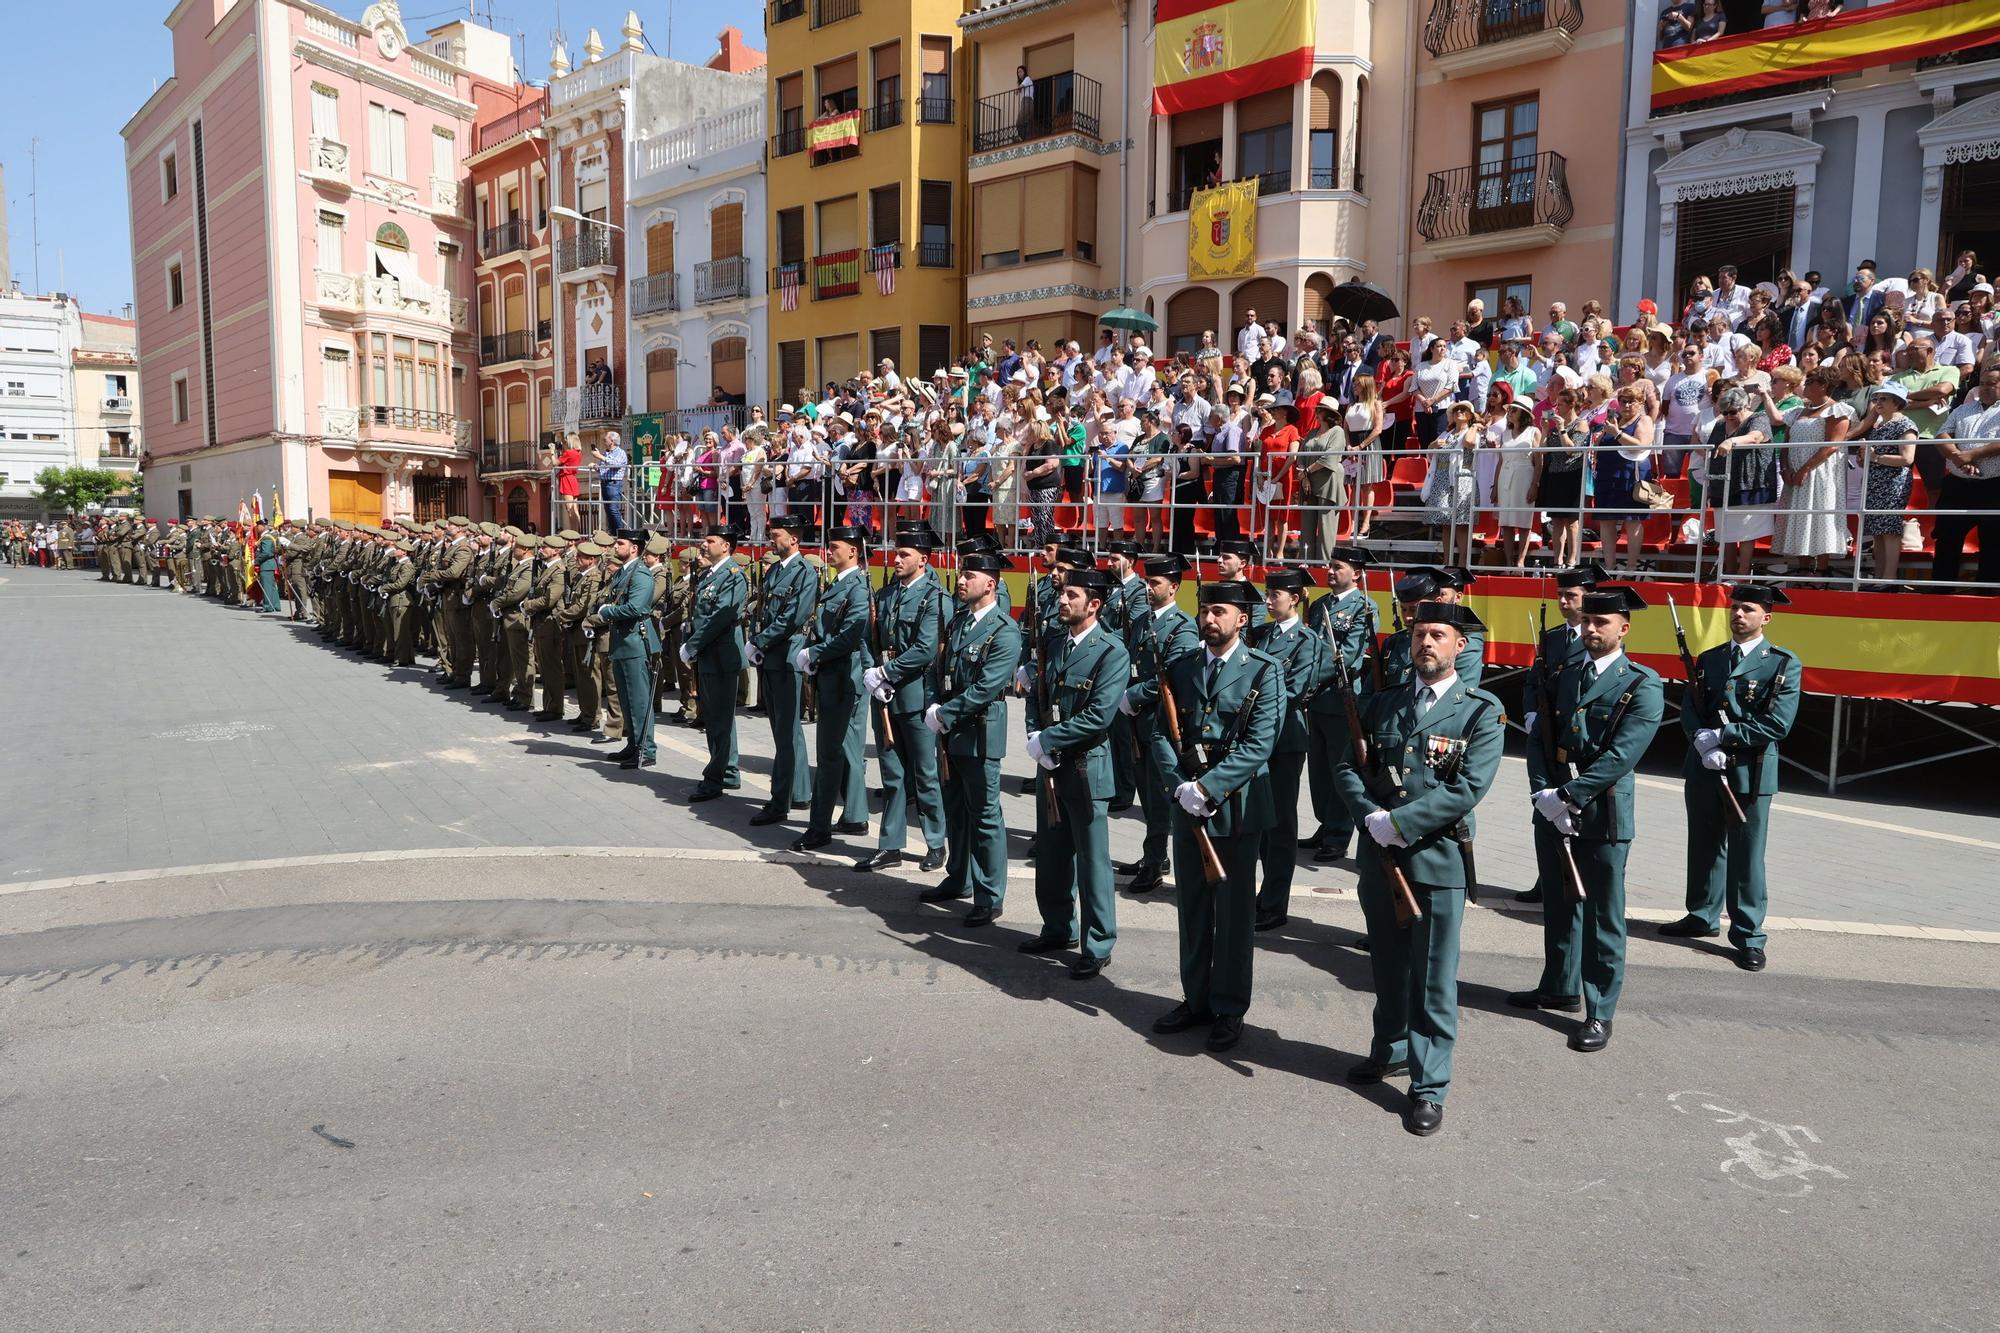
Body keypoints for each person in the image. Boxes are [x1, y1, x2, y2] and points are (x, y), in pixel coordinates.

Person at [1333, 600, 1506, 1137]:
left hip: (1435, 859)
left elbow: (1468, 787)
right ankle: (1389, 1050)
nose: (1425, 643)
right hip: (1380, 855)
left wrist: (1401, 822)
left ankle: (1429, 1086)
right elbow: (1346, 765)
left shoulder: (1479, 709)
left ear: (1460, 645)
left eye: (1437, 635)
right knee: (1387, 967)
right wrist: (1370, 818)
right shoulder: (1380, 703)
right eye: (1418, 635)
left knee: (1433, 978)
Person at [1508, 585, 1664, 1054]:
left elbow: (1622, 755)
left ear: (1624, 628)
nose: (1591, 629)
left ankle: (1600, 1010)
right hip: (1554, 800)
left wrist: (1571, 795)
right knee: (1557, 902)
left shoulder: (1642, 682)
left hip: (1603, 809)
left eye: (1602, 623)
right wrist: (1544, 792)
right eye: (1588, 622)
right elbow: (1539, 736)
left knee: (1602, 914)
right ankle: (1558, 985)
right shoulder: (1565, 673)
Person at [1148, 580, 1286, 1053]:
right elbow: (1161, 732)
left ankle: (1229, 1007)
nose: (1209, 619)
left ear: (1242, 619)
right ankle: (1196, 999)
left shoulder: (1263, 672)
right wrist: (1180, 786)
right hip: (1188, 805)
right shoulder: (1182, 666)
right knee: (1192, 909)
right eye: (1205, 610)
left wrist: (1209, 787)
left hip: (1237, 808)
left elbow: (1260, 744)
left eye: (1220, 611)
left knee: (1231, 917)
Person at [1661, 583, 1802, 972]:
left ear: (1766, 618)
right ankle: (1702, 915)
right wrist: (1701, 741)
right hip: (1705, 765)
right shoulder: (1710, 658)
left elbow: (1778, 722)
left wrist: (1725, 736)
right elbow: (1692, 705)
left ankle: (1748, 934)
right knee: (1704, 845)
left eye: (1749, 610)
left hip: (1750, 771)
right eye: (1736, 608)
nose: (1739, 615)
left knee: (1746, 856)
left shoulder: (1782, 663)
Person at [1020, 568, 1132, 980]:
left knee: (1092, 861)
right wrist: (1035, 731)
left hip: (1085, 768)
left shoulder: (1111, 651)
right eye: (1062, 593)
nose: (1062, 601)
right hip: (1052, 765)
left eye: (1071, 594)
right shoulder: (1054, 643)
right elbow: (1038, 693)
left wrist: (1048, 740)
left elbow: (1099, 717)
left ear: (1094, 604)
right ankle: (1057, 928)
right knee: (1051, 854)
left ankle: (1098, 942)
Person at [919, 550, 1023, 925]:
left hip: (978, 732)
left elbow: (986, 686)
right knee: (956, 811)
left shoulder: (1004, 630)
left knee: (984, 815)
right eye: (962, 574)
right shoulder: (960, 621)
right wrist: (932, 704)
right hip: (949, 731)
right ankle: (958, 879)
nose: (960, 581)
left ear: (990, 584)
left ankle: (989, 895)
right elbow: (937, 666)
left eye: (969, 576)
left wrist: (943, 714)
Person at [1513, 560, 1606, 905]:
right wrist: (1532, 712)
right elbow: (1533, 680)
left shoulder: (1596, 637)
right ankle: (1547, 877)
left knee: (1575, 811)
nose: (1564, 601)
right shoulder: (1552, 637)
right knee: (1546, 808)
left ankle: (1575, 876)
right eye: (1561, 595)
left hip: (1576, 736)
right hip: (1548, 733)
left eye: (1571, 595)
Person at [858, 522, 950, 873]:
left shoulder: (933, 596)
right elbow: (871, 639)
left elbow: (926, 648)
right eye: (897, 553)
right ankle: (890, 845)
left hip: (916, 696)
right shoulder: (886, 594)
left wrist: (886, 673)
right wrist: (872, 675)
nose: (896, 560)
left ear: (922, 560)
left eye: (904, 554)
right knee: (892, 775)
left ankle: (935, 841)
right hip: (885, 697)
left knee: (925, 775)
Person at [1115, 553, 1202, 894]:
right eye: (1148, 582)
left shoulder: (1182, 626)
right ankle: (1153, 854)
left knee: (1158, 795)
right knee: (1145, 792)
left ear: (1174, 587)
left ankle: (1154, 863)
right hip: (1137, 720)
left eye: (1155, 583)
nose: (1149, 588)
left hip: (1161, 722)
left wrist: (1134, 697)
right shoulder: (1141, 621)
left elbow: (1175, 676)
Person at [1248, 568, 1324, 933]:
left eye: (1274, 594)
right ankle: (1264, 894)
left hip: (1284, 738)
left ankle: (1275, 902)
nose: (1268, 599)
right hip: (1258, 737)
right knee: (1261, 821)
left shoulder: (1307, 641)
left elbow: (1295, 690)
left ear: (1294, 598)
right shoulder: (1260, 635)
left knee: (1279, 824)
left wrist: (1252, 703)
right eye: (1266, 592)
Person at [792, 526, 874, 851]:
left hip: (842, 678)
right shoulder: (840, 583)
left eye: (836, 546)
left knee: (828, 755)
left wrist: (814, 653)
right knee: (846, 750)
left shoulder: (857, 586)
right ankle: (854, 815)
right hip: (834, 675)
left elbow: (850, 636)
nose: (830, 552)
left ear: (853, 551)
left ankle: (819, 827)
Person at [1303, 546, 1377, 866]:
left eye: (1338, 567)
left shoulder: (1365, 607)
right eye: (1329, 566)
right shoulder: (1319, 604)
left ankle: (1338, 834)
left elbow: (1348, 657)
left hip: (1341, 699)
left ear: (1356, 573)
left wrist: (1307, 680)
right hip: (1316, 700)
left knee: (1340, 770)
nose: (1330, 572)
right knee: (1319, 770)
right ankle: (1325, 823)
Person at [747, 516, 819, 825]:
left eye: (775, 535)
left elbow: (793, 617)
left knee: (787, 731)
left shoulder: (804, 573)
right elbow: (764, 611)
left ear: (792, 539)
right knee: (783, 729)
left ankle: (780, 800)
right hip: (773, 655)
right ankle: (799, 792)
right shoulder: (775, 570)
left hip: (787, 653)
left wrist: (759, 641)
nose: (770, 540)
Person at [680, 521, 747, 803]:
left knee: (718, 721)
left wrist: (692, 646)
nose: (703, 544)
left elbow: (719, 618)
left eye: (709, 540)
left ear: (725, 546)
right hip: (710, 655)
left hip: (721, 656)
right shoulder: (710, 575)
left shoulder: (733, 576)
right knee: (720, 719)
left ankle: (714, 778)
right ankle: (729, 771)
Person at [597, 529, 660, 771]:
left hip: (636, 643)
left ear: (634, 548)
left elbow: (637, 607)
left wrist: (607, 612)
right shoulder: (625, 572)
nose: (615, 546)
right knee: (626, 699)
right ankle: (634, 744)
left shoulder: (641, 574)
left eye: (620, 543)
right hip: (623, 643)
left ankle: (646, 749)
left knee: (639, 700)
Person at [1933, 361, 2000, 587]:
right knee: (1946, 537)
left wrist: (1972, 454)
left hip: (1994, 486)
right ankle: (1941, 592)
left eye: (1992, 384)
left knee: (1993, 542)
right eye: (1982, 384)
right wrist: (1957, 458)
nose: (1985, 388)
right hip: (1958, 485)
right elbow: (1942, 434)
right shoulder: (1963, 408)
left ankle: (1988, 596)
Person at [1855, 381, 1919, 585]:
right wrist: (1865, 457)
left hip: (1893, 484)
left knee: (1889, 531)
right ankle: (1880, 577)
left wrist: (1875, 457)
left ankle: (1889, 578)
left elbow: (1907, 458)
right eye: (1876, 398)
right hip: (1875, 482)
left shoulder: (1905, 424)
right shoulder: (1880, 425)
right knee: (1877, 532)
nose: (1877, 402)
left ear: (1897, 402)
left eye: (1883, 399)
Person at [1489, 400, 1543, 568]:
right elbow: (1500, 461)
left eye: (1514, 410)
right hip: (1505, 475)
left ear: (1523, 414)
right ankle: (1507, 563)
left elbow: (1539, 461)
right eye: (1510, 410)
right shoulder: (1505, 434)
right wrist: (1495, 486)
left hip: (1525, 475)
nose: (1510, 412)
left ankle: (1520, 561)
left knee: (1523, 521)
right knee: (1505, 521)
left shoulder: (1534, 432)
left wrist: (1535, 484)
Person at [523, 532, 569, 716]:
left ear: (556, 550)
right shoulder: (547, 568)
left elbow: (549, 600)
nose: (541, 550)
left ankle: (555, 708)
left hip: (551, 623)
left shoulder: (558, 570)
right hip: (542, 622)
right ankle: (549, 706)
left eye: (545, 547)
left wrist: (527, 605)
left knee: (552, 668)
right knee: (546, 667)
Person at [593, 431, 629, 528]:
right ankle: (613, 534)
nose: (604, 442)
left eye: (605, 440)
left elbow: (616, 465)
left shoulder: (621, 453)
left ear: (612, 441)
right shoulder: (606, 453)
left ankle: (621, 533)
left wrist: (600, 456)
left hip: (613, 484)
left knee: (613, 509)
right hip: (605, 483)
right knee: (608, 510)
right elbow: (603, 468)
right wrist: (595, 466)